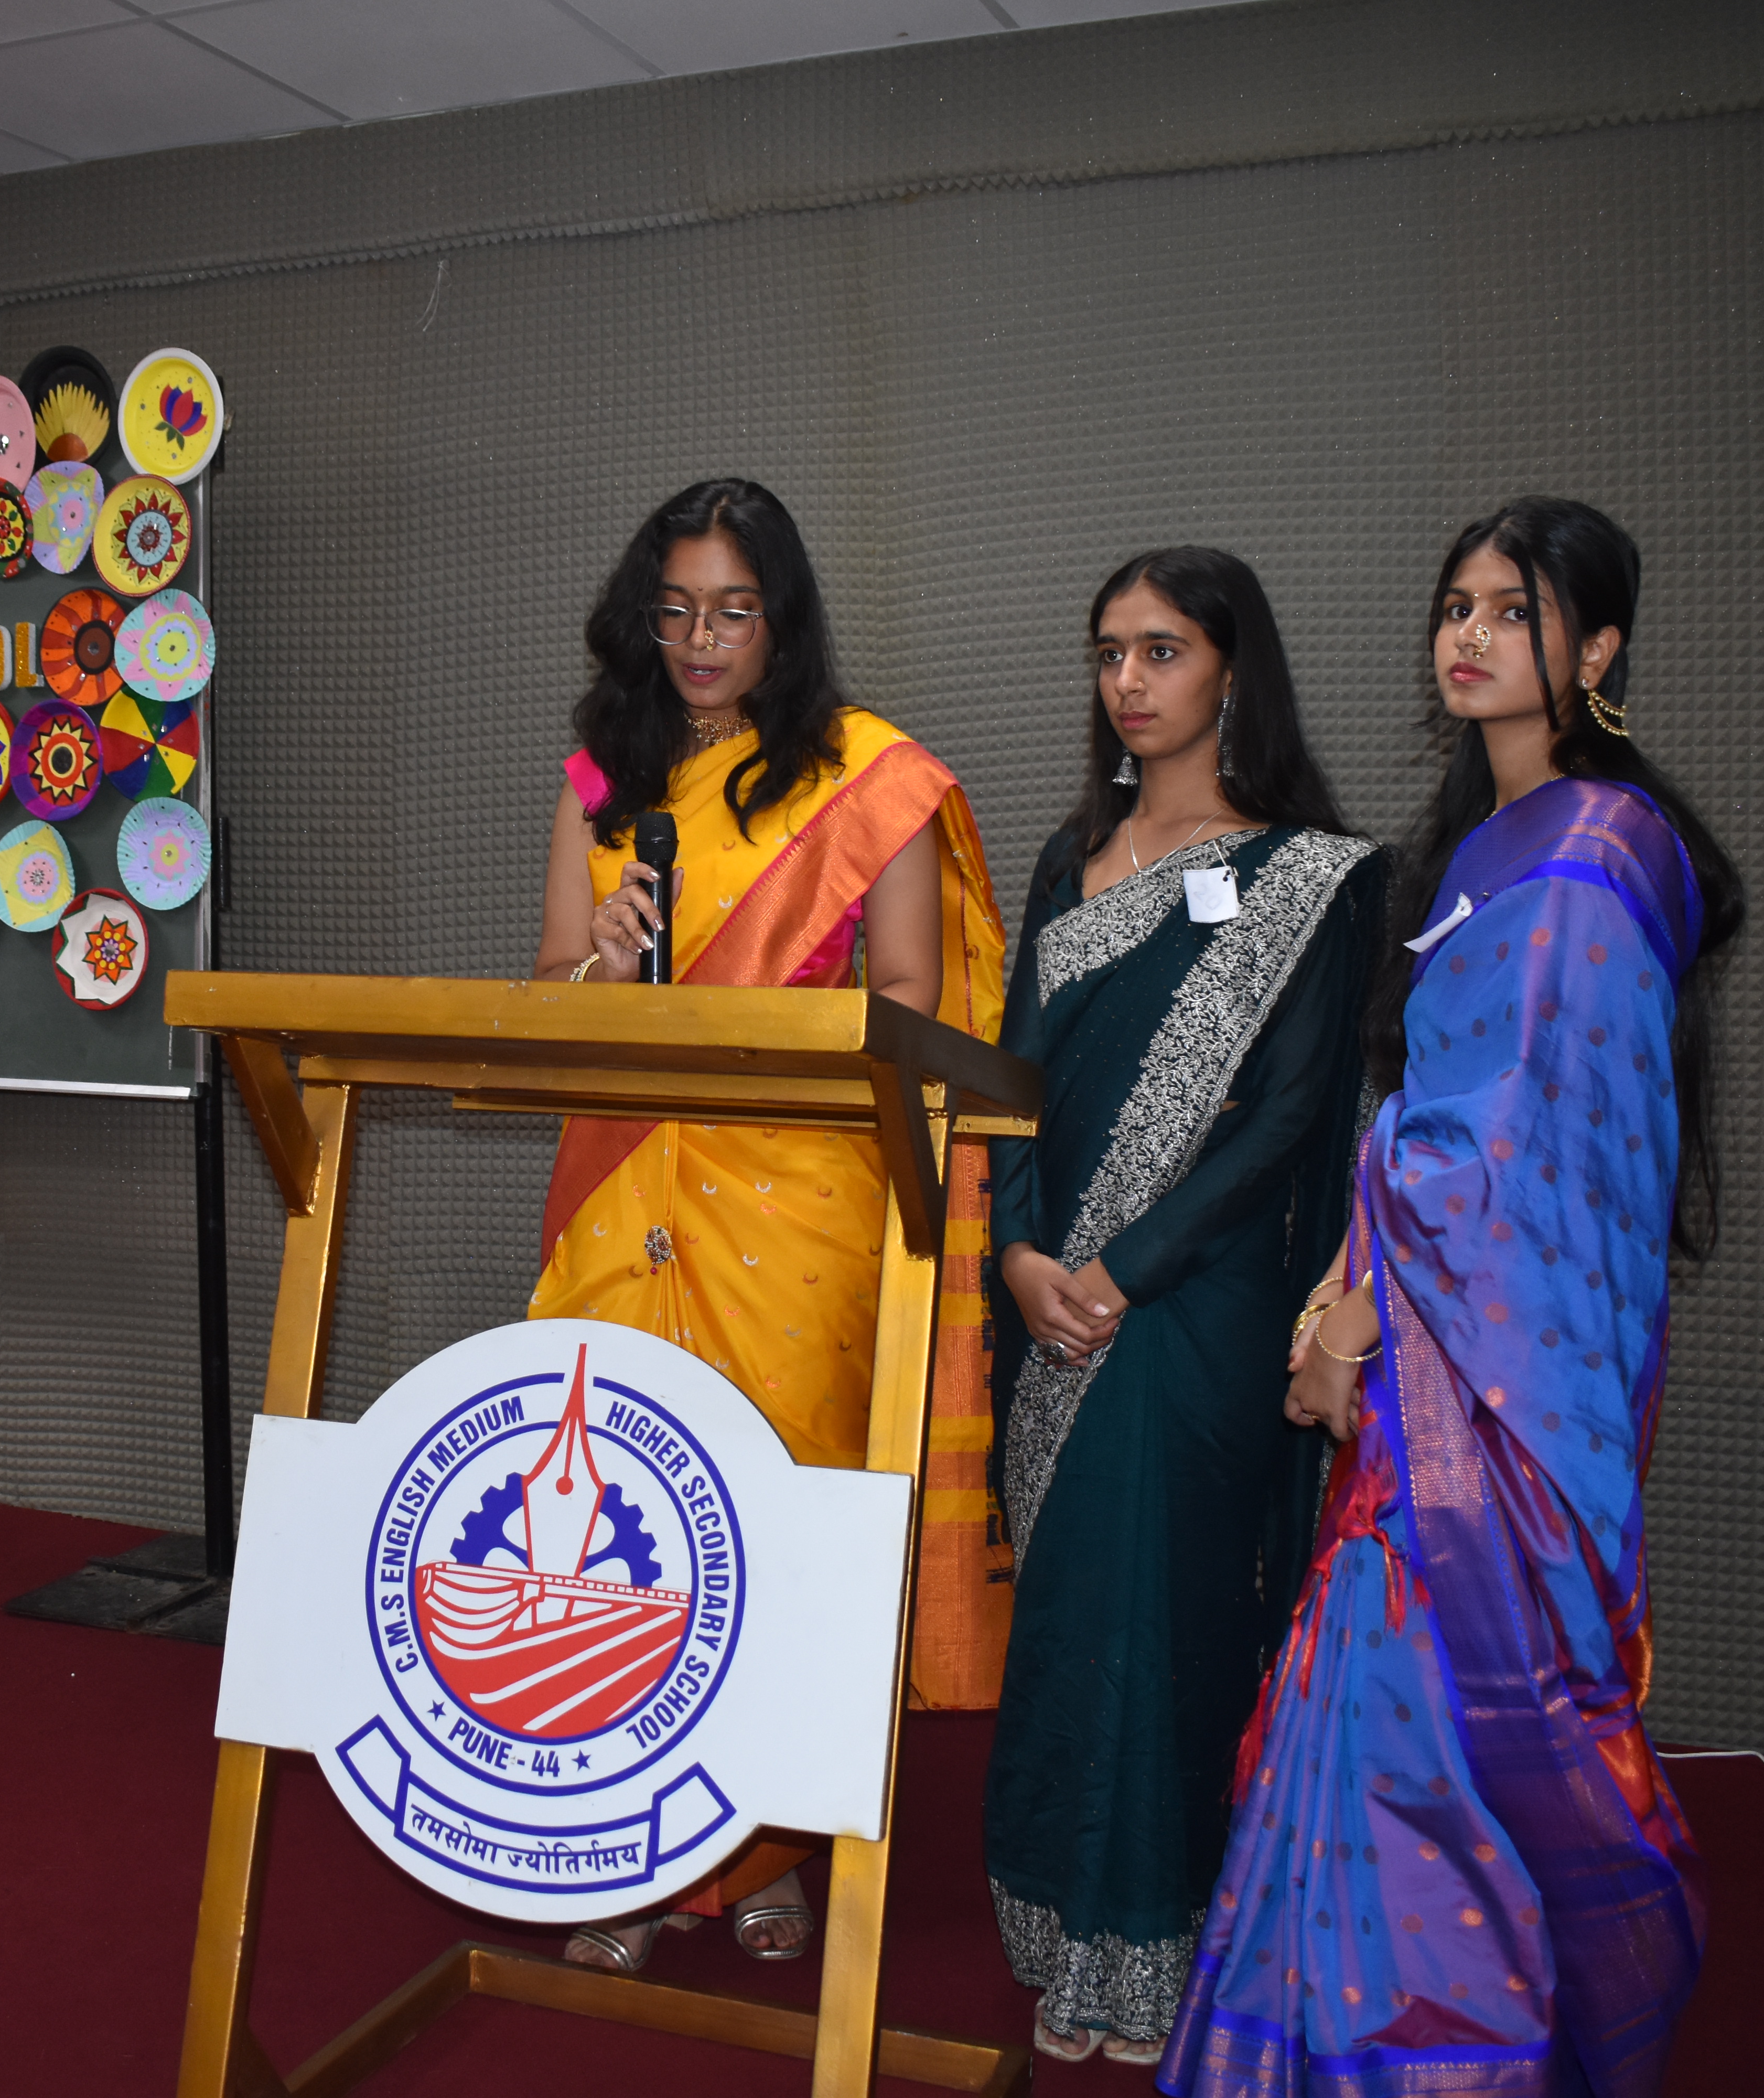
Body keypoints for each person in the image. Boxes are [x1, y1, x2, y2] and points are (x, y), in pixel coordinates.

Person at [1160, 498, 1746, 2097]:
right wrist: (1345, 1289)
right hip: (1423, 1331)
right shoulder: (1479, 843)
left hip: (1497, 1369)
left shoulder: (1598, 845)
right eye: (1457, 607)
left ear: (1598, 649)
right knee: (1373, 1697)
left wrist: (1356, 1315)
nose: (1471, 636)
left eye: (1514, 609)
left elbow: (1520, 1138)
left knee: (1436, 1704)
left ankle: (1453, 2061)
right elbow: (1423, 1114)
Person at [529, 478, 1007, 1972]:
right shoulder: (602, 776)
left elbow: (912, 999)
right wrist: (606, 971)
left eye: (733, 612)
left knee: (779, 1523)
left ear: (782, 621)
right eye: (675, 611)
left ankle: (769, 1844)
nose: (701, 641)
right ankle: (618, 1847)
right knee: (616, 1530)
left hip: (800, 1201)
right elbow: (548, 993)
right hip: (624, 1191)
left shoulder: (866, 778)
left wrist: (772, 1032)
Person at [981, 549, 1383, 2066]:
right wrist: (1022, 1257)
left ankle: (1150, 1937)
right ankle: (1054, 1920)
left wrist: (1122, 1270)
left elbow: (1288, 1120)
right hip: (1050, 1308)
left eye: (1162, 650)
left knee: (1163, 1618)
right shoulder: (1069, 858)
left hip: (1194, 1309)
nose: (1129, 682)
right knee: (1071, 1619)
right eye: (1109, 653)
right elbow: (1013, 1087)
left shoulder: (1311, 877)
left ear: (1231, 669)